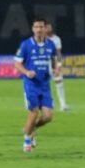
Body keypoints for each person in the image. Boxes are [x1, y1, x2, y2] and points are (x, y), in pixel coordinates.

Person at [14, 19, 58, 153]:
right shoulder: (26, 45)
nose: (39, 29)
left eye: (41, 27)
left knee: (48, 117)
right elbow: (17, 63)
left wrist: (55, 69)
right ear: (33, 29)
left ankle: (30, 128)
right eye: (36, 27)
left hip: (45, 84)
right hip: (31, 85)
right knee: (34, 113)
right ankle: (27, 139)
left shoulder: (51, 44)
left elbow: (53, 59)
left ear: (46, 29)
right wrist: (27, 72)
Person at [45, 22, 70, 111]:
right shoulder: (40, 39)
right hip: (43, 62)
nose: (48, 29)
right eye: (46, 27)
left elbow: (58, 53)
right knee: (42, 84)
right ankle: (45, 105)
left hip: (53, 62)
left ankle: (63, 104)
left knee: (59, 82)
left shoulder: (56, 39)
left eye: (49, 27)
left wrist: (58, 65)